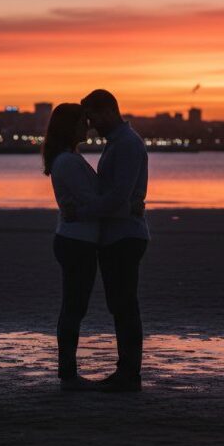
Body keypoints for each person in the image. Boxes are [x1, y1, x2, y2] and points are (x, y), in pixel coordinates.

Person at [68, 89, 149, 393]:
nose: (90, 125)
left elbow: (118, 196)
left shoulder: (126, 145)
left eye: (92, 117)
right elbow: (118, 196)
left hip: (125, 235)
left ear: (108, 112)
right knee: (121, 305)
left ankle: (129, 373)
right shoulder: (119, 144)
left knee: (125, 305)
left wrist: (82, 212)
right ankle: (127, 370)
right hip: (120, 232)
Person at [42, 103, 102, 391]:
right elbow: (89, 201)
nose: (87, 126)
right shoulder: (68, 161)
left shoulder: (69, 159)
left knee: (73, 306)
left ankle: (67, 369)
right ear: (70, 127)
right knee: (73, 308)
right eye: (82, 121)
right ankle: (67, 371)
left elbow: (84, 202)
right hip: (76, 241)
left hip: (74, 238)